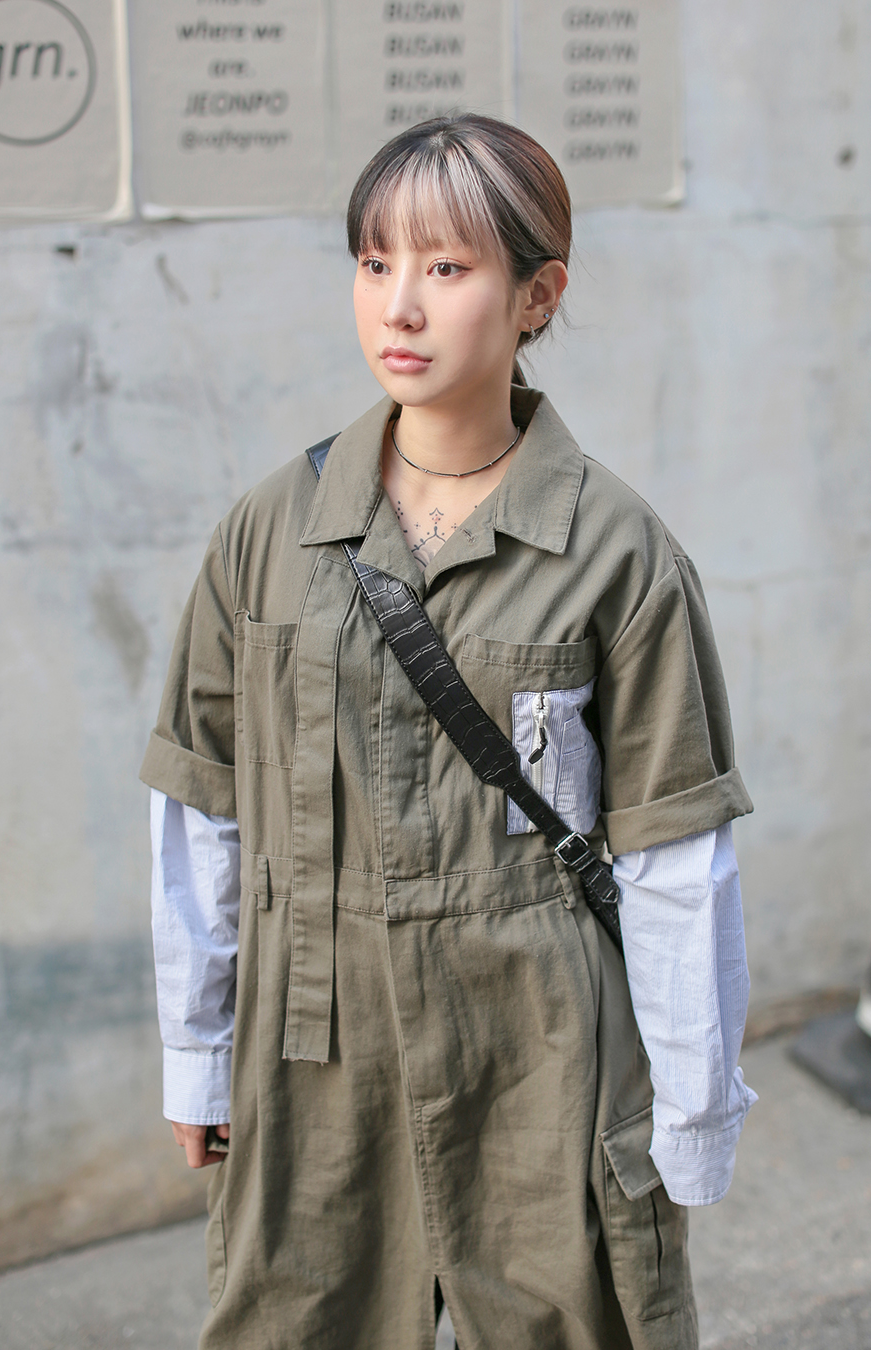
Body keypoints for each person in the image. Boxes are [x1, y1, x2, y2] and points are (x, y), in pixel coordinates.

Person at [142, 114, 756, 1350]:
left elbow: (673, 854)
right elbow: (202, 807)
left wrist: (693, 1112)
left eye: (446, 266)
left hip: (541, 1051)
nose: (400, 306)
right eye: (375, 263)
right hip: (312, 1048)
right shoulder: (270, 531)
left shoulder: (616, 551)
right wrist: (197, 1053)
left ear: (539, 295)